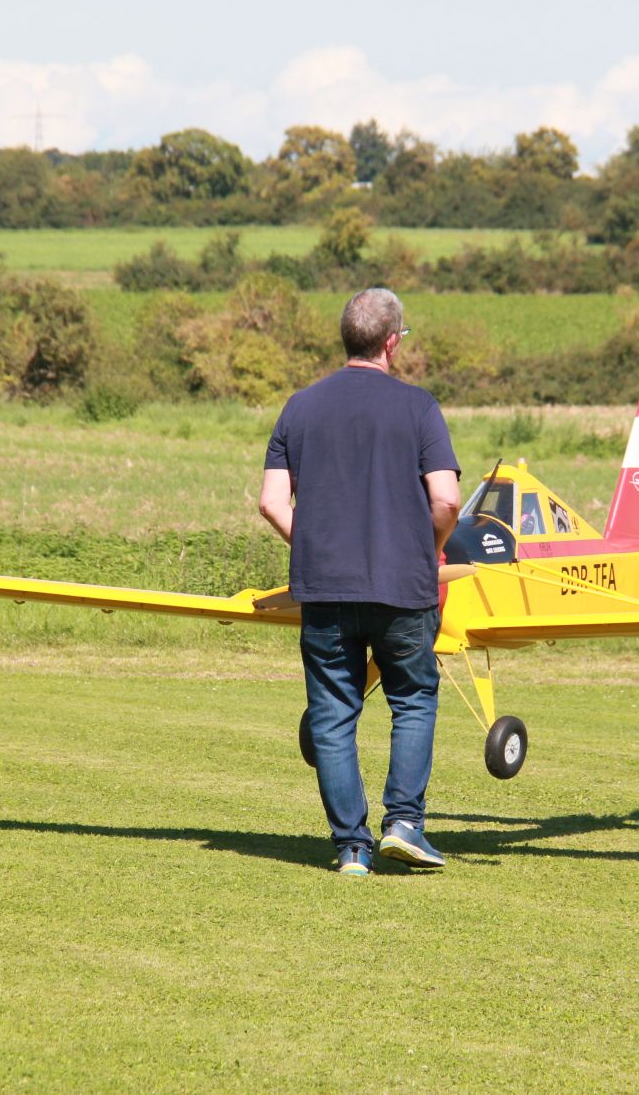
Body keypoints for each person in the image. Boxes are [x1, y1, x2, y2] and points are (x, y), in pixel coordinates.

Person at [259, 288, 461, 875]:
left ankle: (351, 847)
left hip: (324, 588)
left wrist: (315, 547)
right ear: (392, 342)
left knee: (332, 714)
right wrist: (427, 550)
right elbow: (447, 500)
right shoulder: (419, 407)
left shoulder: (299, 407)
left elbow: (272, 502)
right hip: (403, 586)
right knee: (413, 699)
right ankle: (404, 824)